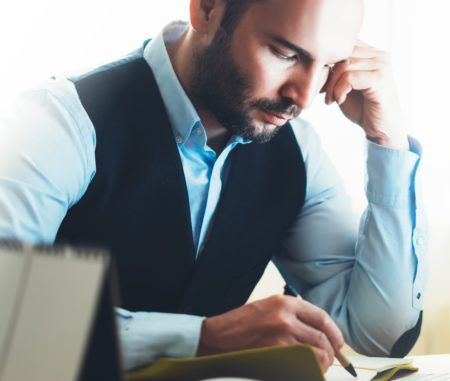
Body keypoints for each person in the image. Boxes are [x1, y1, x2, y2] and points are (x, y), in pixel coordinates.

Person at [0, 0, 428, 372]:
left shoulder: (298, 152)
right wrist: (201, 338)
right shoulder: (62, 120)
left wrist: (387, 140)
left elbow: (379, 336)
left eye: (329, 66)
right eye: (284, 53)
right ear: (206, 8)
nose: (305, 97)